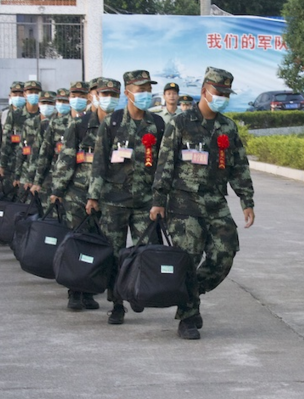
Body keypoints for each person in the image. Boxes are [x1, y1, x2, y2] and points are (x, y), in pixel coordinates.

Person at [150, 67, 255, 340]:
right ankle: (187, 317)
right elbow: (165, 163)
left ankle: (190, 291)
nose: (221, 97)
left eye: (226, 94)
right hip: (183, 202)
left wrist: (247, 200)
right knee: (189, 257)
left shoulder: (227, 127)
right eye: (218, 92)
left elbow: (239, 166)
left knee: (225, 251)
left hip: (215, 201)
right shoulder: (181, 123)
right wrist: (159, 200)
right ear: (204, 91)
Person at [88, 70, 164, 325]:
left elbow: (164, 165)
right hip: (114, 200)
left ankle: (138, 292)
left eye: (148, 89)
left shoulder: (158, 124)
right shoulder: (112, 123)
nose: (145, 93)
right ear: (129, 92)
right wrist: (93, 196)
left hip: (146, 202)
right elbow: (99, 161)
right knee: (115, 253)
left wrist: (161, 199)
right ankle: (117, 303)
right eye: (140, 89)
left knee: (147, 251)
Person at [50, 78, 115, 312]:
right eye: (102, 93)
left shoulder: (119, 125)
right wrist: (57, 190)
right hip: (78, 193)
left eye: (112, 93)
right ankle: (74, 292)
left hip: (109, 196)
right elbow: (65, 160)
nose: (107, 97)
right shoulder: (79, 126)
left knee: (100, 246)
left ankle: (89, 290)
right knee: (78, 244)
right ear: (92, 96)